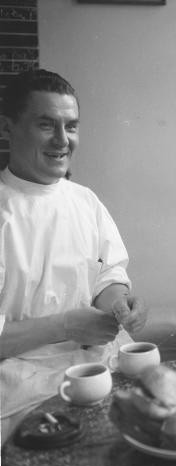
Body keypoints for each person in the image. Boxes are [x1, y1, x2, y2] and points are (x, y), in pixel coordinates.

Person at [0, 69, 147, 442]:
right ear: (7, 128)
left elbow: (107, 278)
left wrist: (120, 305)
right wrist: (63, 327)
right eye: (46, 125)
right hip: (18, 383)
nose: (63, 140)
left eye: (72, 126)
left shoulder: (85, 201)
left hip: (97, 363)